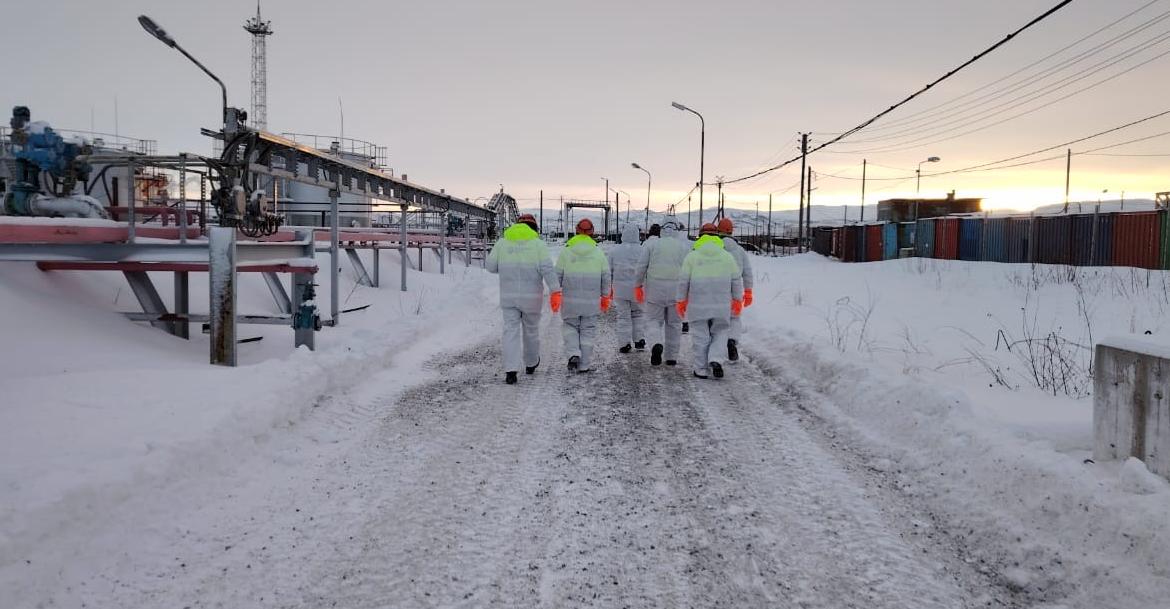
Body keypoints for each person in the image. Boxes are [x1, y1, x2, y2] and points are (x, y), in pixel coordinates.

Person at [486, 214, 560, 385]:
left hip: (508, 297)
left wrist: (506, 270)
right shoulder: (538, 245)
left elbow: (490, 267)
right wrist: (556, 290)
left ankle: (511, 370)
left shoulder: (502, 243)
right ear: (534, 228)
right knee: (531, 330)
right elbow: (547, 270)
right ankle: (531, 363)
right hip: (532, 298)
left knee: (510, 331)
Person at [677, 223, 743, 379]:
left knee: (701, 337)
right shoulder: (727, 256)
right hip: (721, 305)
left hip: (698, 305)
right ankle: (715, 359)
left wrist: (681, 300)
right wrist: (737, 300)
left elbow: (683, 281)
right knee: (720, 333)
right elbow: (736, 280)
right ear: (717, 237)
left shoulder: (692, 256)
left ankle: (701, 369)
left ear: (700, 236)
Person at [555, 218, 611, 373]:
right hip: (591, 301)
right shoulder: (598, 252)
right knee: (588, 331)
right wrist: (605, 296)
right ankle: (584, 364)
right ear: (592, 232)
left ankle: (573, 352)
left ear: (577, 230)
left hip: (570, 301)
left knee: (570, 326)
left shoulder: (567, 250)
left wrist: (555, 291)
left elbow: (557, 275)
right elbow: (606, 276)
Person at [635, 222, 689, 367]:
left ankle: (656, 344)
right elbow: (688, 271)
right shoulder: (683, 247)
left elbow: (641, 267)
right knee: (674, 324)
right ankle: (671, 357)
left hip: (655, 290)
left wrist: (637, 285)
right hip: (676, 291)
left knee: (653, 321)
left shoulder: (651, 245)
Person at [718, 217, 754, 362]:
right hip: (736, 288)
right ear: (731, 231)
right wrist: (748, 291)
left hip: (718, 287)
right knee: (735, 318)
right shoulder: (739, 250)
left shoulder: (715, 247)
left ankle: (716, 349)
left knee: (717, 319)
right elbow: (747, 272)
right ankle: (732, 340)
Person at [609, 223, 646, 353]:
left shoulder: (615, 251)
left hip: (620, 290)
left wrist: (609, 288)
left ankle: (624, 344)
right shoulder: (643, 250)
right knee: (638, 315)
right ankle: (639, 340)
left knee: (623, 317)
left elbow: (609, 271)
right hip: (638, 289)